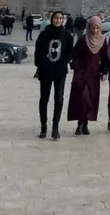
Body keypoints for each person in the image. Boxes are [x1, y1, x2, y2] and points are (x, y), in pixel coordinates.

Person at [67, 16, 110, 136]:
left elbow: (105, 57)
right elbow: (75, 56)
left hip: (94, 76)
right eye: (93, 28)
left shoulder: (102, 40)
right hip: (82, 75)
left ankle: (85, 124)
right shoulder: (83, 40)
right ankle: (80, 123)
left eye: (97, 28)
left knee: (91, 100)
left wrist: (105, 71)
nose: (95, 30)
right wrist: (78, 69)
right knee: (82, 99)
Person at [34, 11, 73, 140]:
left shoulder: (67, 35)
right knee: (44, 99)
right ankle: (44, 126)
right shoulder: (44, 35)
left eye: (61, 18)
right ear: (52, 19)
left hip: (60, 72)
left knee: (59, 99)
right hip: (46, 71)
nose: (58, 20)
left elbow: (69, 52)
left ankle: (55, 127)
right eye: (56, 18)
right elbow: (38, 52)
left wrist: (64, 61)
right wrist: (41, 65)